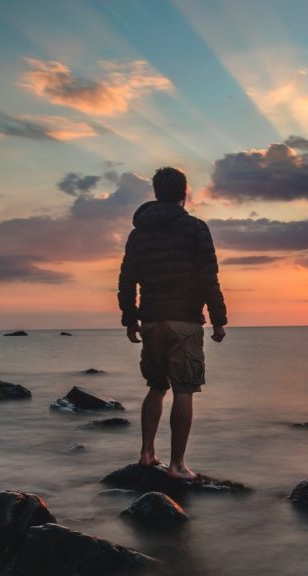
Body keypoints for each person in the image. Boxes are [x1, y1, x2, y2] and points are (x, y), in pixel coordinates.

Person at [118, 166, 227, 481]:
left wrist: (130, 318)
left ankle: (146, 453)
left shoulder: (139, 233)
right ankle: (177, 465)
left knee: (156, 386)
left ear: (155, 193)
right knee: (184, 390)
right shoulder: (195, 228)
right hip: (184, 321)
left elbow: (127, 279)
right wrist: (218, 320)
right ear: (184, 192)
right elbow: (209, 276)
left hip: (151, 320)